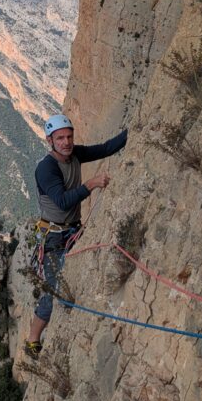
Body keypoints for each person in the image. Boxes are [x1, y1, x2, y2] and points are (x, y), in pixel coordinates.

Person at [24, 113, 127, 359]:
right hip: (53, 239)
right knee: (55, 292)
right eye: (60, 138)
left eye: (69, 136)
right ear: (50, 140)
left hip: (71, 232)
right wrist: (90, 184)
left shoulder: (75, 154)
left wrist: (133, 129)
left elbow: (104, 148)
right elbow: (61, 201)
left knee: (76, 281)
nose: (66, 142)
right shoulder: (46, 168)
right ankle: (32, 339)